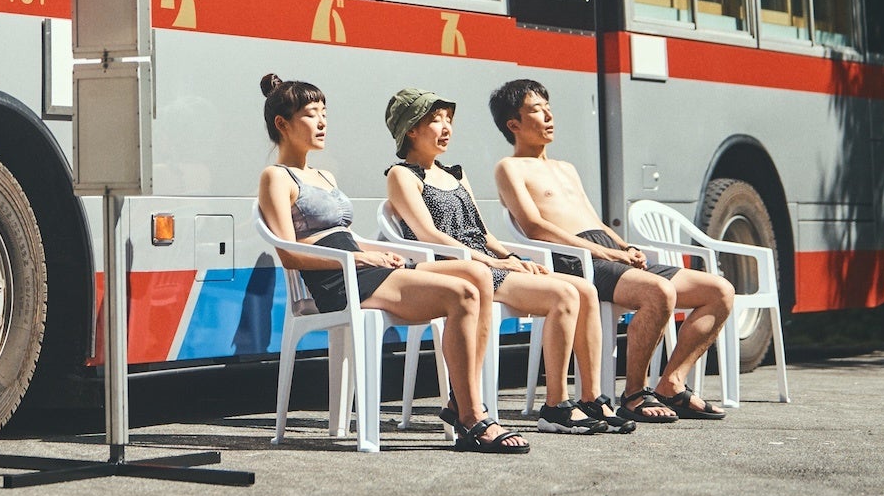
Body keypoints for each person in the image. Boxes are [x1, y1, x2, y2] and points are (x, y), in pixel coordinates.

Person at [256, 74, 530, 454]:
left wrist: (374, 252)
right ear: (282, 124)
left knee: (479, 273)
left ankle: (462, 398)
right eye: (310, 115)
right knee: (463, 293)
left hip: (363, 266)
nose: (322, 122)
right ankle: (472, 414)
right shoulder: (275, 177)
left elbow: (344, 233)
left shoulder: (324, 174)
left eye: (324, 113)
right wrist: (358, 256)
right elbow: (287, 252)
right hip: (339, 279)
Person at [383, 88, 632, 436]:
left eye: (448, 120)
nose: (446, 127)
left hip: (486, 263)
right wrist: (491, 262)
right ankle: (556, 406)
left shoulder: (454, 173)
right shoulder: (402, 175)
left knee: (584, 291)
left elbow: (482, 231)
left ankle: (590, 398)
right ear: (411, 129)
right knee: (564, 296)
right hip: (453, 269)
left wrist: (511, 257)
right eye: (435, 120)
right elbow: (428, 235)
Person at [490, 77, 737, 425]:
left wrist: (623, 246)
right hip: (572, 258)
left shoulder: (566, 168)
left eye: (549, 108)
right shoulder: (509, 167)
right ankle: (635, 394)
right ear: (513, 124)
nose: (548, 116)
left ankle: (671, 383)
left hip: (606, 252)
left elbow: (594, 219)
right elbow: (534, 226)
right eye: (536, 110)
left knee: (720, 292)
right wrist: (604, 253)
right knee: (659, 292)